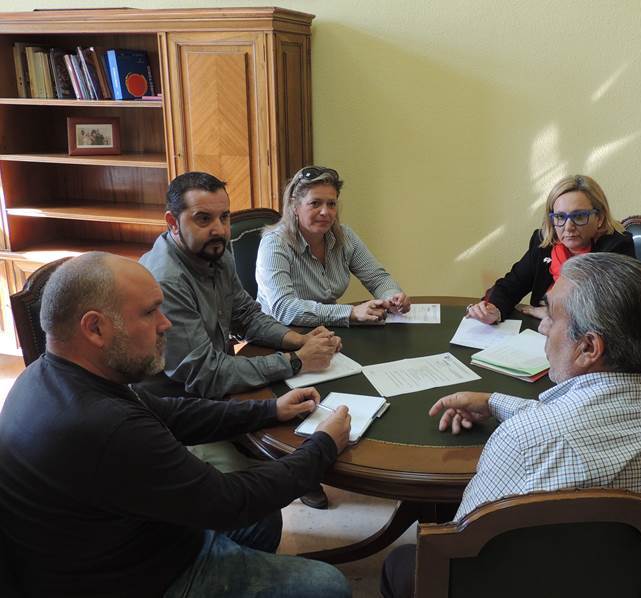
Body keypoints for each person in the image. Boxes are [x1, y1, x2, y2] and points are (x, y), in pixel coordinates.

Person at [0, 252, 352, 598]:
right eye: (149, 312)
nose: (165, 323)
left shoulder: (44, 374)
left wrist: (270, 409)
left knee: (263, 518)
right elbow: (228, 501)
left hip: (123, 540)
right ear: (95, 328)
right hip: (139, 578)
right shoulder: (107, 427)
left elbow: (173, 413)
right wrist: (322, 445)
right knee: (329, 586)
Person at [381, 253, 641, 598]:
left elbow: (461, 545)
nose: (543, 327)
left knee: (402, 562)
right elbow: (589, 420)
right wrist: (493, 402)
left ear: (589, 347)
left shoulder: (525, 440)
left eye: (551, 316)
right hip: (623, 584)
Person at [139, 171, 340, 509]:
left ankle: (294, 469)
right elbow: (205, 374)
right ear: (173, 222)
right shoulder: (165, 280)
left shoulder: (215, 253)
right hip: (179, 410)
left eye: (224, 217)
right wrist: (295, 361)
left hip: (217, 390)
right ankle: (286, 474)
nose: (219, 229)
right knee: (246, 492)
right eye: (203, 218)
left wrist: (298, 341)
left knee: (305, 404)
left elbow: (246, 315)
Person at [467, 174, 635, 324]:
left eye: (579, 216)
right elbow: (512, 284)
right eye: (560, 217)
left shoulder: (616, 247)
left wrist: (554, 314)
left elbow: (612, 310)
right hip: (539, 335)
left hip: (586, 341)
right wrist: (493, 308)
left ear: (599, 218)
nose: (568, 227)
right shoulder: (544, 243)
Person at [256, 165, 410, 326]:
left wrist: (392, 297)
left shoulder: (345, 237)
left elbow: (377, 278)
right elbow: (284, 308)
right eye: (315, 203)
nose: (325, 212)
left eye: (331, 204)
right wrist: (350, 313)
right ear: (294, 206)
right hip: (280, 333)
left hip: (325, 330)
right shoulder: (275, 244)